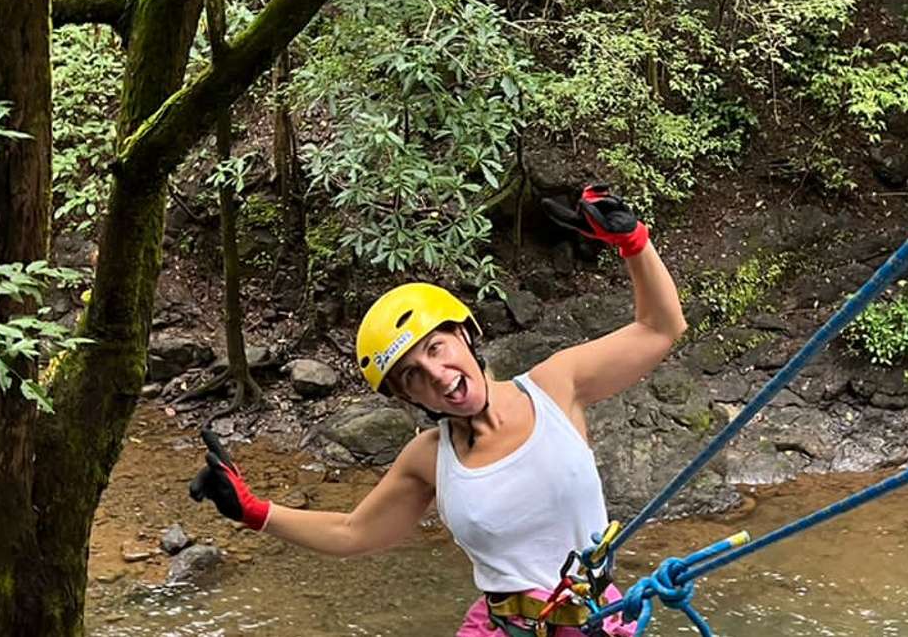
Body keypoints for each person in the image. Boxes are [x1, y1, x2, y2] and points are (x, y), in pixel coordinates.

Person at [190, 184, 686, 636]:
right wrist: (256, 513)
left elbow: (660, 328)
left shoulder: (556, 386)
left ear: (465, 335)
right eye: (412, 375)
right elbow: (353, 532)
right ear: (409, 398)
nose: (436, 374)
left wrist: (633, 244)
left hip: (594, 619)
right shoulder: (429, 457)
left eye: (436, 348)